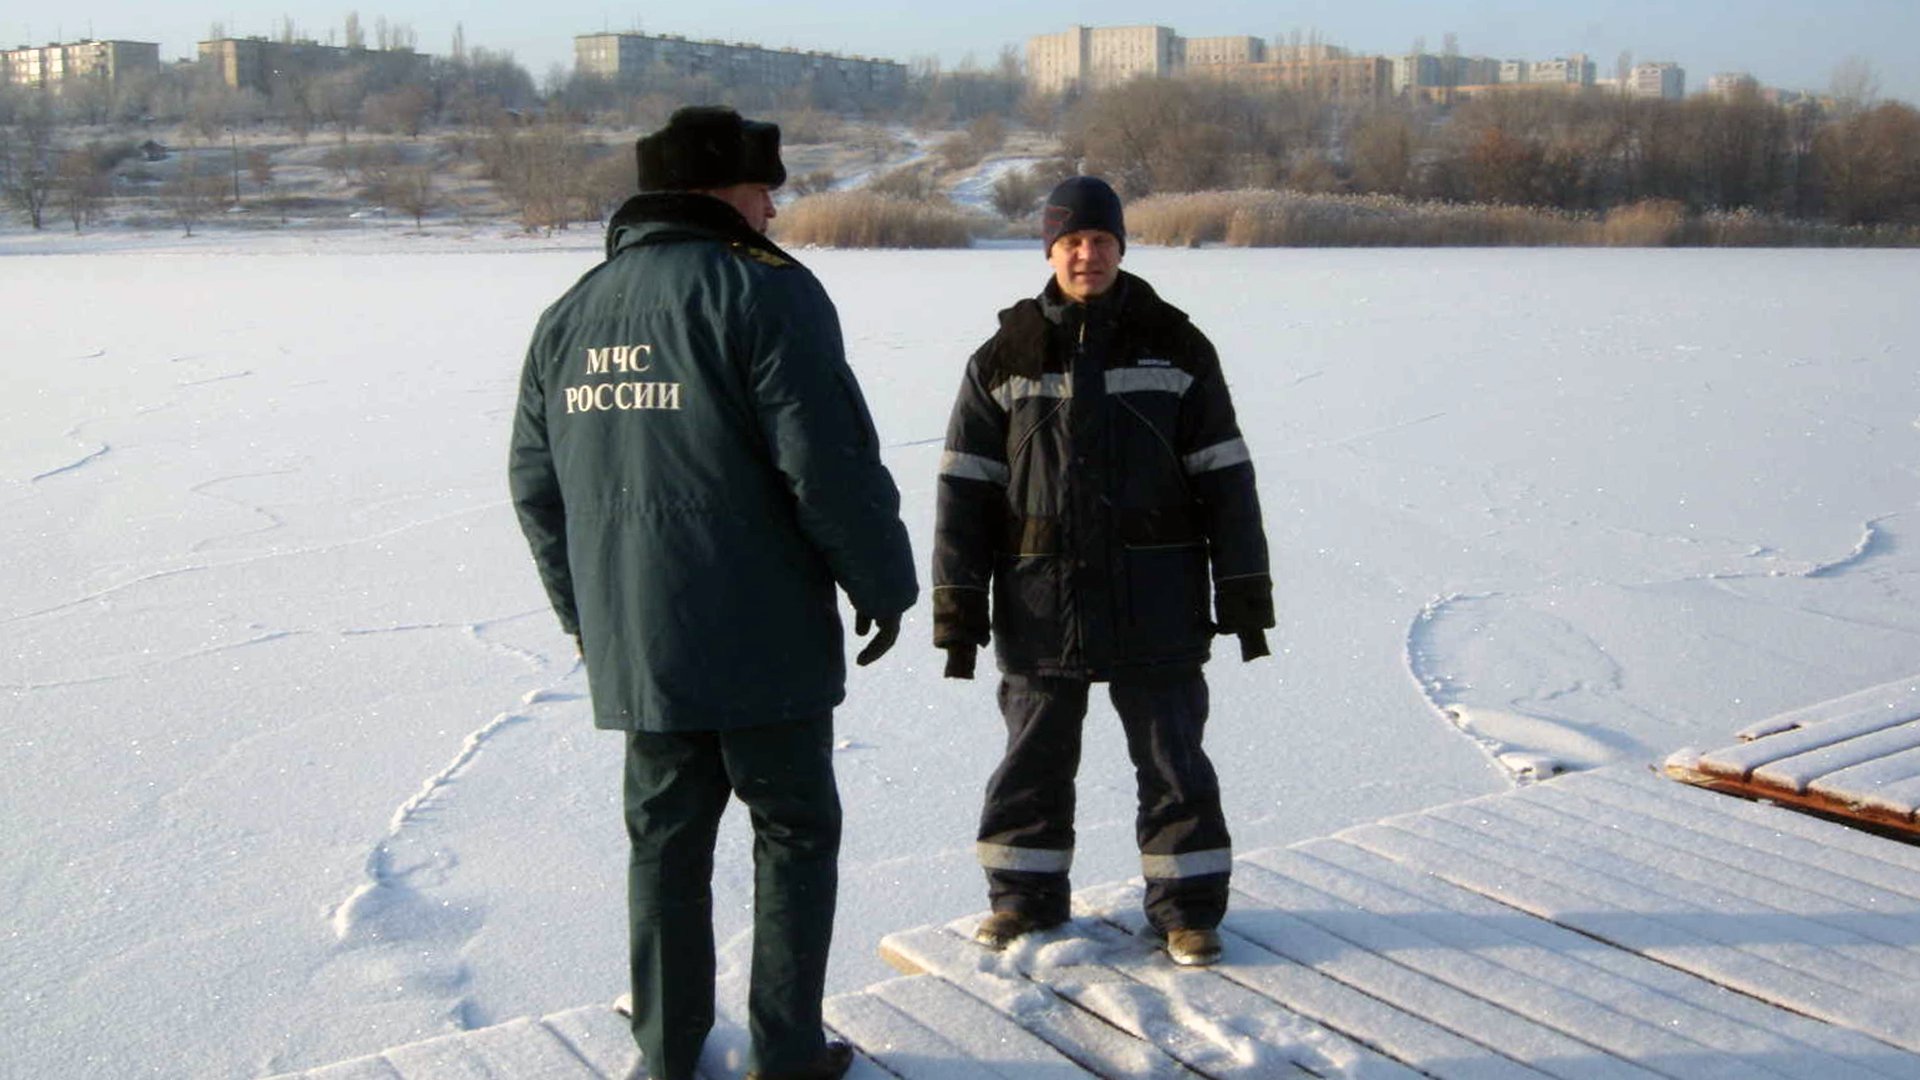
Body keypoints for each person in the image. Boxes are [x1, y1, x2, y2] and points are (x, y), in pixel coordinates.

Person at [509, 106, 917, 1080]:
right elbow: (828, 464)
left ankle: (667, 1050)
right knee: (793, 835)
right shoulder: (765, 294)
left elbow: (538, 489)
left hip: (644, 653)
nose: (774, 205)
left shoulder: (573, 311)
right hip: (763, 645)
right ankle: (784, 1053)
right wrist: (885, 583)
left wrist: (591, 623)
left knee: (665, 847)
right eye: (762, 185)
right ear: (714, 189)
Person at [931, 176, 1272, 968]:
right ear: (1050, 250)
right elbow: (964, 489)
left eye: (1102, 241)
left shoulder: (1176, 343)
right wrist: (958, 607)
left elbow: (1226, 476)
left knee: (1173, 761)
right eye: (1072, 242)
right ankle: (1022, 898)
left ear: (1122, 246)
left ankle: (1187, 911)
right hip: (1039, 598)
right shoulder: (1005, 354)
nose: (1088, 255)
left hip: (1159, 597)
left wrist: (1245, 589)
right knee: (1033, 761)